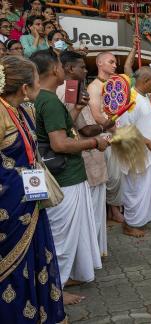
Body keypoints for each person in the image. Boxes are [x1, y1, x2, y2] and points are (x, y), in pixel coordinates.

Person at [31, 49, 108, 304]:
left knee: (65, 235)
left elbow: (62, 133)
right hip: (66, 178)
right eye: (60, 66)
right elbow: (61, 144)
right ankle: (56, 291)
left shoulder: (42, 98)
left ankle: (62, 281)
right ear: (54, 69)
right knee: (61, 239)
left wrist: (75, 110)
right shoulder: (49, 101)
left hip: (64, 176)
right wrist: (95, 142)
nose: (65, 70)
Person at [0, 54, 67, 323]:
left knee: (37, 260)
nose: (40, 85)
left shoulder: (24, 109)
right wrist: (21, 179)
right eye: (37, 81)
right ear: (25, 88)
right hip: (11, 209)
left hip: (32, 204)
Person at [56, 51, 114, 258]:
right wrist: (106, 125)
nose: (85, 70)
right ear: (70, 69)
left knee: (93, 214)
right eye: (81, 66)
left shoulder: (71, 88)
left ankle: (91, 256)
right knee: (90, 215)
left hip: (90, 159)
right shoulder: (69, 89)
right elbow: (83, 128)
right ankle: (87, 257)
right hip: (87, 159)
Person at [117, 67, 151, 237]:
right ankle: (129, 224)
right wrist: (147, 142)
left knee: (141, 188)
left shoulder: (143, 97)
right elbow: (124, 127)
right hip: (135, 152)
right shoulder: (130, 99)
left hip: (145, 152)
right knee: (134, 190)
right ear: (145, 81)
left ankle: (137, 220)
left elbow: (142, 121)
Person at [87, 52, 125, 223]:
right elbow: (96, 115)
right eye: (111, 62)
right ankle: (112, 210)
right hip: (105, 135)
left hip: (117, 134)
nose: (115, 65)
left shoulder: (116, 83)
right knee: (111, 175)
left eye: (115, 62)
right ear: (99, 63)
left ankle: (114, 208)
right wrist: (114, 130)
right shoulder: (94, 87)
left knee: (118, 174)